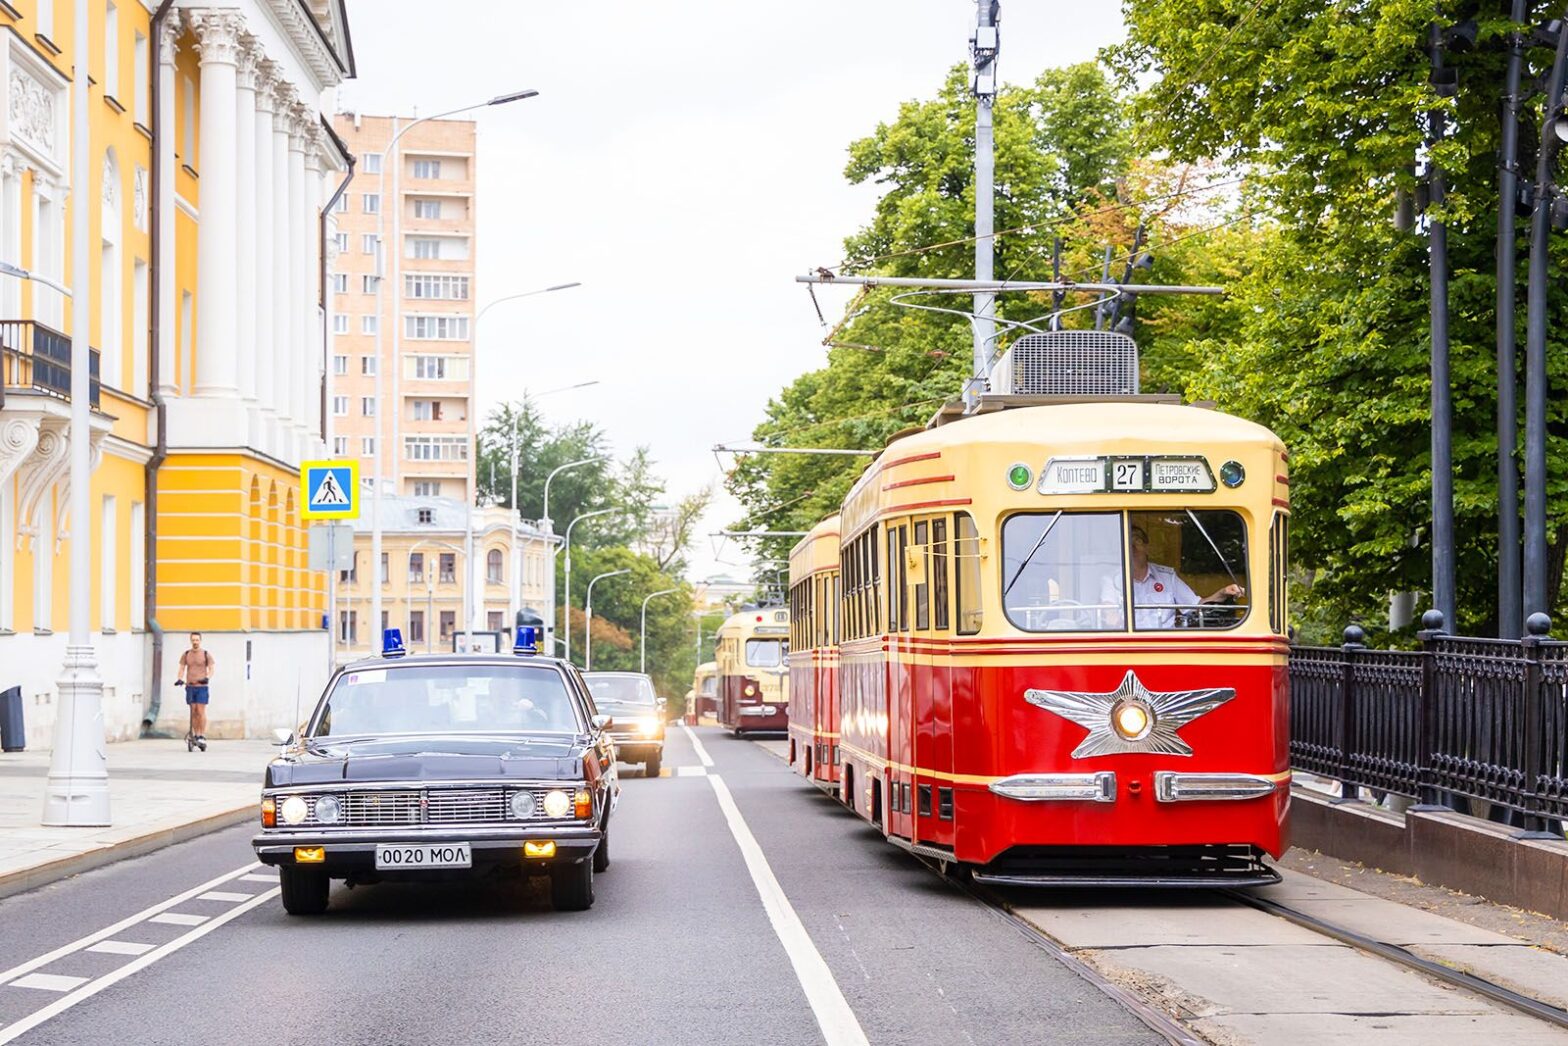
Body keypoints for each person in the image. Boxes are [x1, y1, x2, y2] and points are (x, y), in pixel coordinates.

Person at [1123, 525, 1244, 629]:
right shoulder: (1111, 580)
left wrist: (1223, 593)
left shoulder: (1166, 577)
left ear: (1147, 548)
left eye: (1137, 541)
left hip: (1164, 645)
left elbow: (1195, 607)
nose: (1132, 546)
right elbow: (1110, 619)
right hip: (1125, 647)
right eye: (1127, 542)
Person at [175, 631, 214, 752]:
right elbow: (182, 668)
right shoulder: (186, 654)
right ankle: (194, 734)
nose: (195, 642)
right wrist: (180, 679)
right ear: (190, 640)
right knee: (193, 711)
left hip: (201, 687)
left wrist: (207, 677)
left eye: (197, 640)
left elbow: (211, 668)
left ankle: (200, 735)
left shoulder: (206, 654)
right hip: (190, 686)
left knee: (200, 710)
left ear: (200, 641)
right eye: (193, 640)